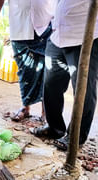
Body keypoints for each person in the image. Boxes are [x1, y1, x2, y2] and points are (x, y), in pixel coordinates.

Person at [32, 0, 98, 151]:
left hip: (84, 36)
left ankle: (76, 137)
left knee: (83, 90)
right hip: (57, 34)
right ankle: (55, 128)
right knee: (51, 84)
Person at [0, 0, 55, 121]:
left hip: (46, 26)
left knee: (47, 72)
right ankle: (25, 107)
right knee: (25, 72)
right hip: (20, 28)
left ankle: (46, 112)